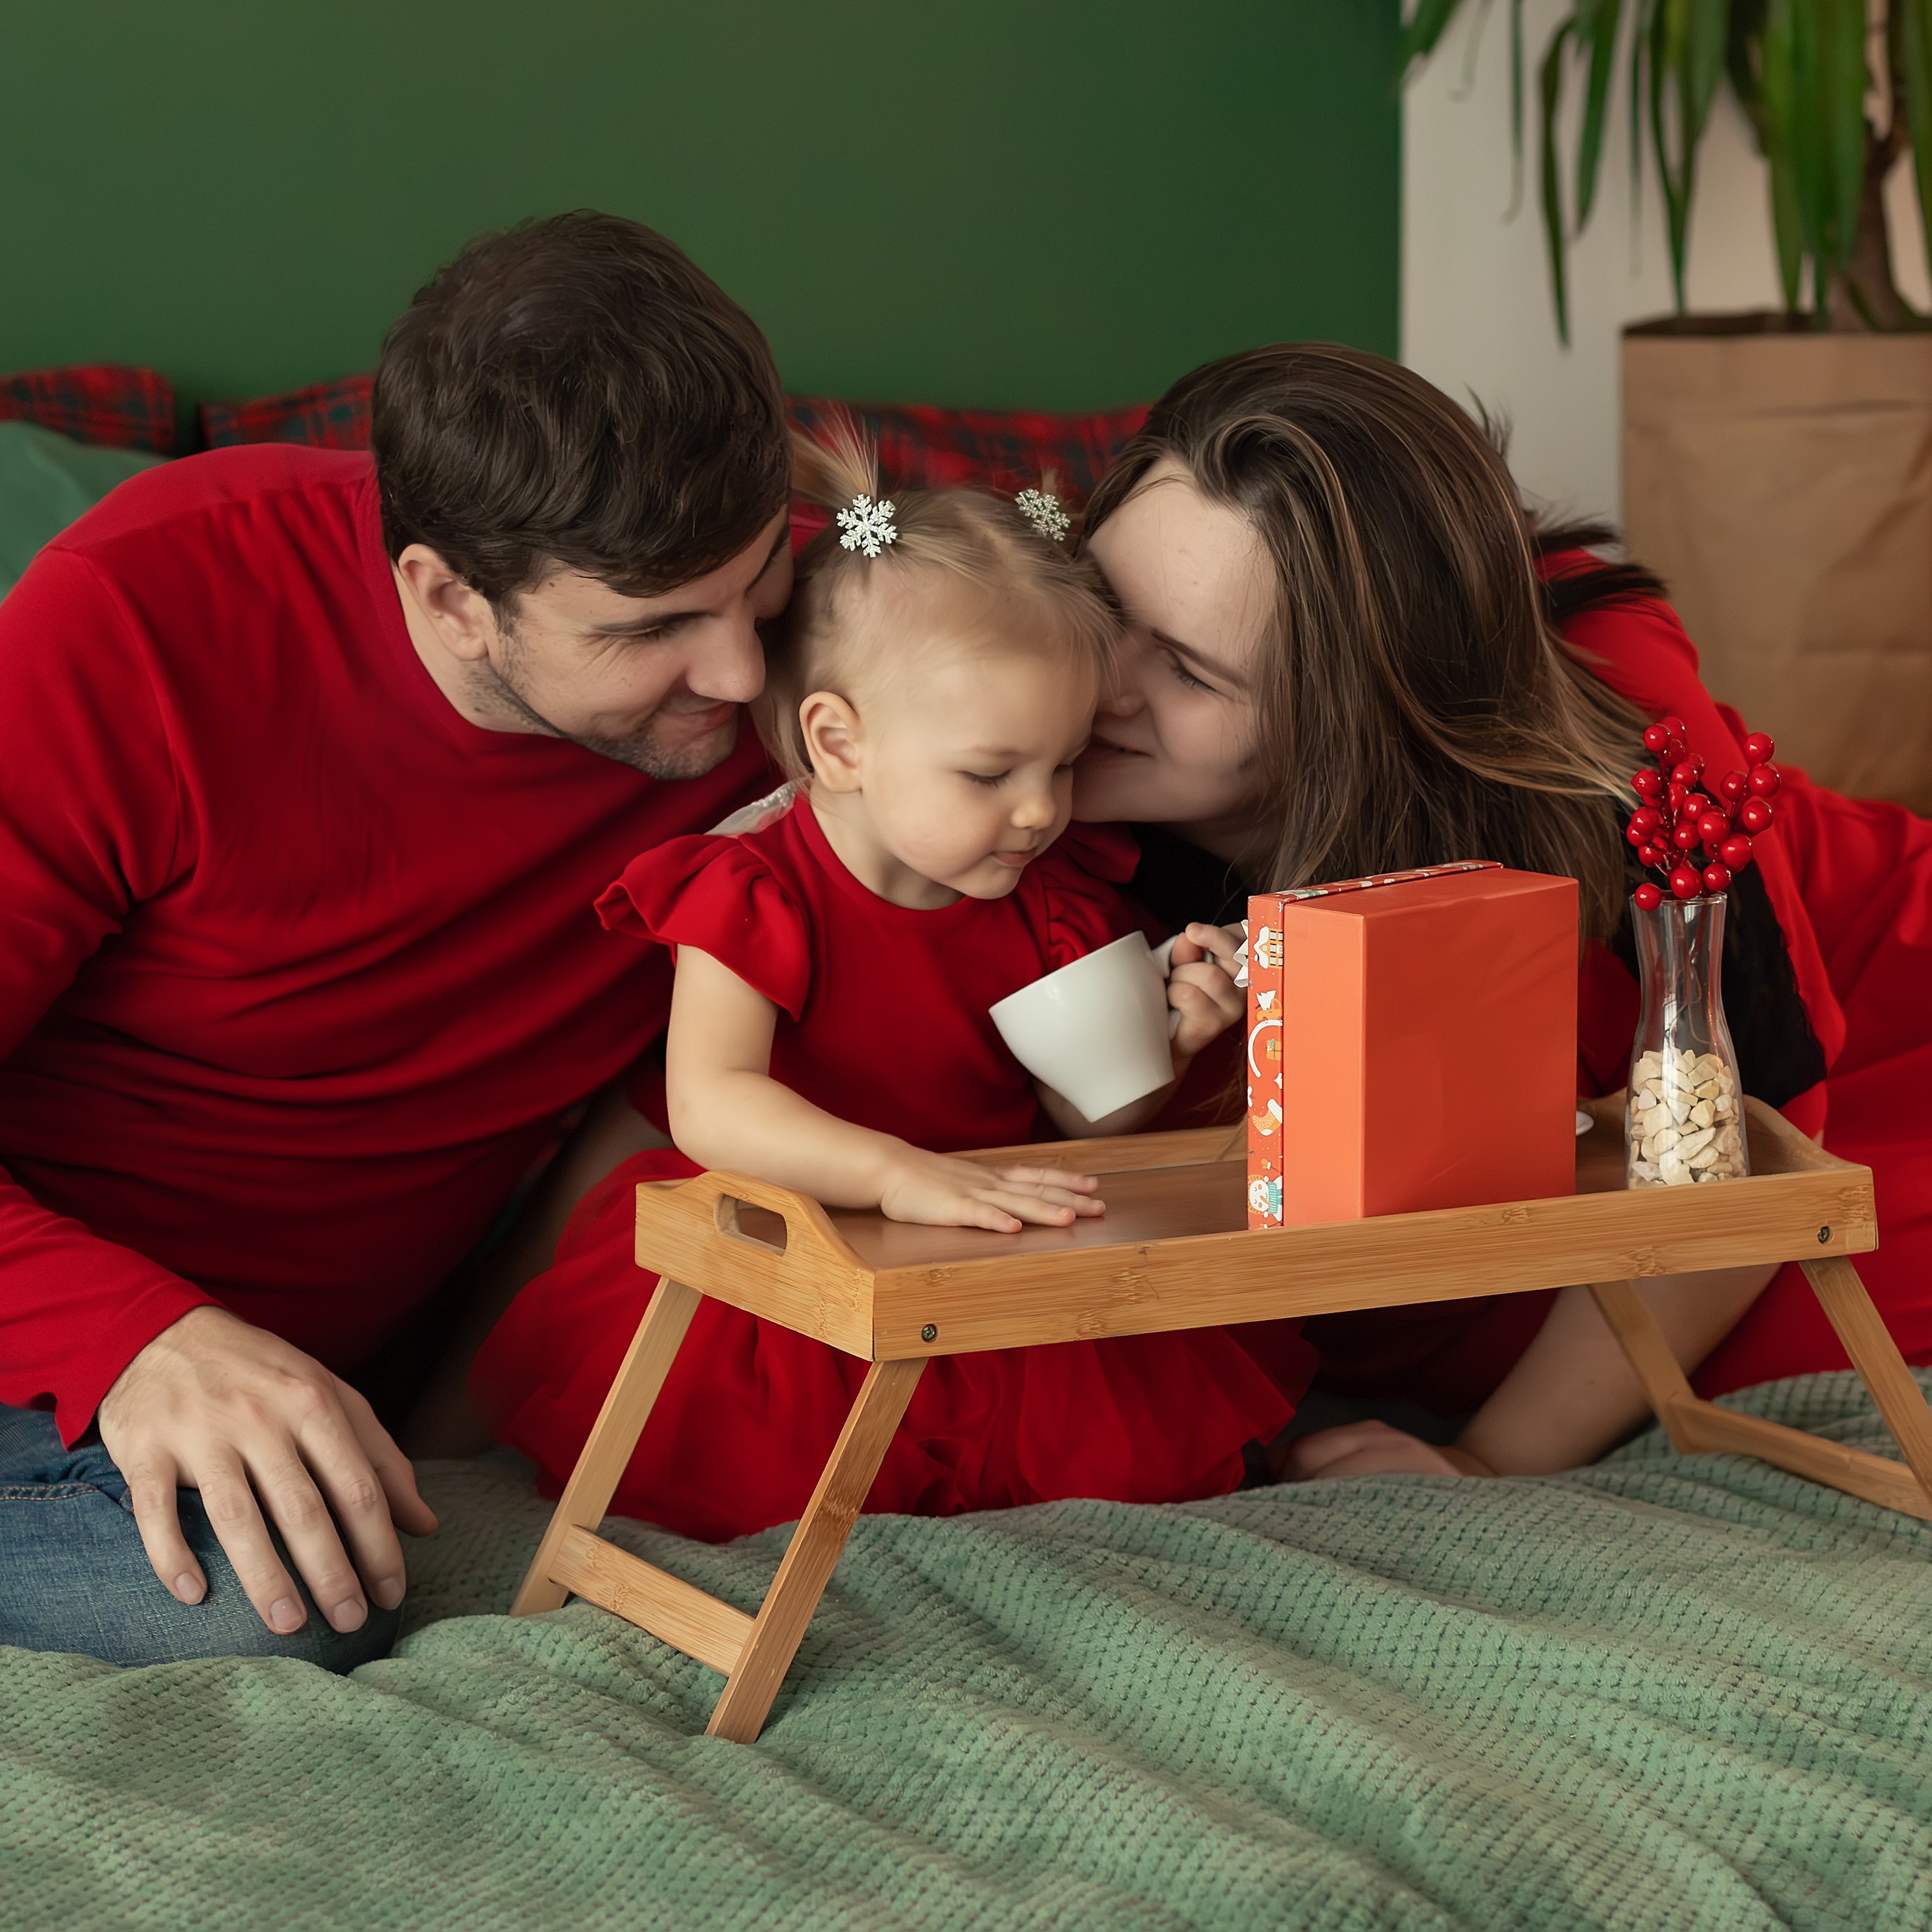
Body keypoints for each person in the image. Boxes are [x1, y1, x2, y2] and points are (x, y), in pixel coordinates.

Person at [0, 212, 798, 1666]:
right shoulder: (143, 617)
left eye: (759, 583)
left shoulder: (805, 656)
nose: (744, 673)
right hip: (53, 1322)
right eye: (655, 630)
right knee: (262, 1608)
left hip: (331, 1362)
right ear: (446, 596)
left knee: (319, 1568)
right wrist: (136, 1337)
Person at [1070, 340, 1932, 1479]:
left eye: (1188, 671)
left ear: (1353, 714)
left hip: (1855, 1068)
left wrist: (1489, 1460)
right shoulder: (985, 709)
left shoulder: (1606, 711)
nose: (1097, 681)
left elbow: (1742, 1148)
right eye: (1100, 606)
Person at [469, 429, 1305, 1540]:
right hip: (794, 1265)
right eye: (991, 773)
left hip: (978, 1251)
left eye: (1062, 765)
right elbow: (711, 1101)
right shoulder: (756, 890)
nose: (1041, 810)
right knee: (758, 1462)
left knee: (1108, 1452)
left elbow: (1079, 1120)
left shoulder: (1049, 896)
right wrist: (895, 1174)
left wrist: (1159, 1049)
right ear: (840, 742)